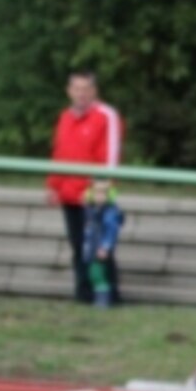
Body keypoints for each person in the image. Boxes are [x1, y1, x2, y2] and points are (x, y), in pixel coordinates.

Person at [46, 71, 125, 304]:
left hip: (93, 195)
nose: (81, 94)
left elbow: (110, 157)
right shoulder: (65, 117)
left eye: (86, 88)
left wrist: (100, 190)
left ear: (94, 91)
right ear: (69, 91)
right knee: (78, 246)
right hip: (70, 194)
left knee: (99, 247)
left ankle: (108, 295)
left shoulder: (106, 116)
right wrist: (53, 185)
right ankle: (83, 294)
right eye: (76, 88)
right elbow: (59, 153)